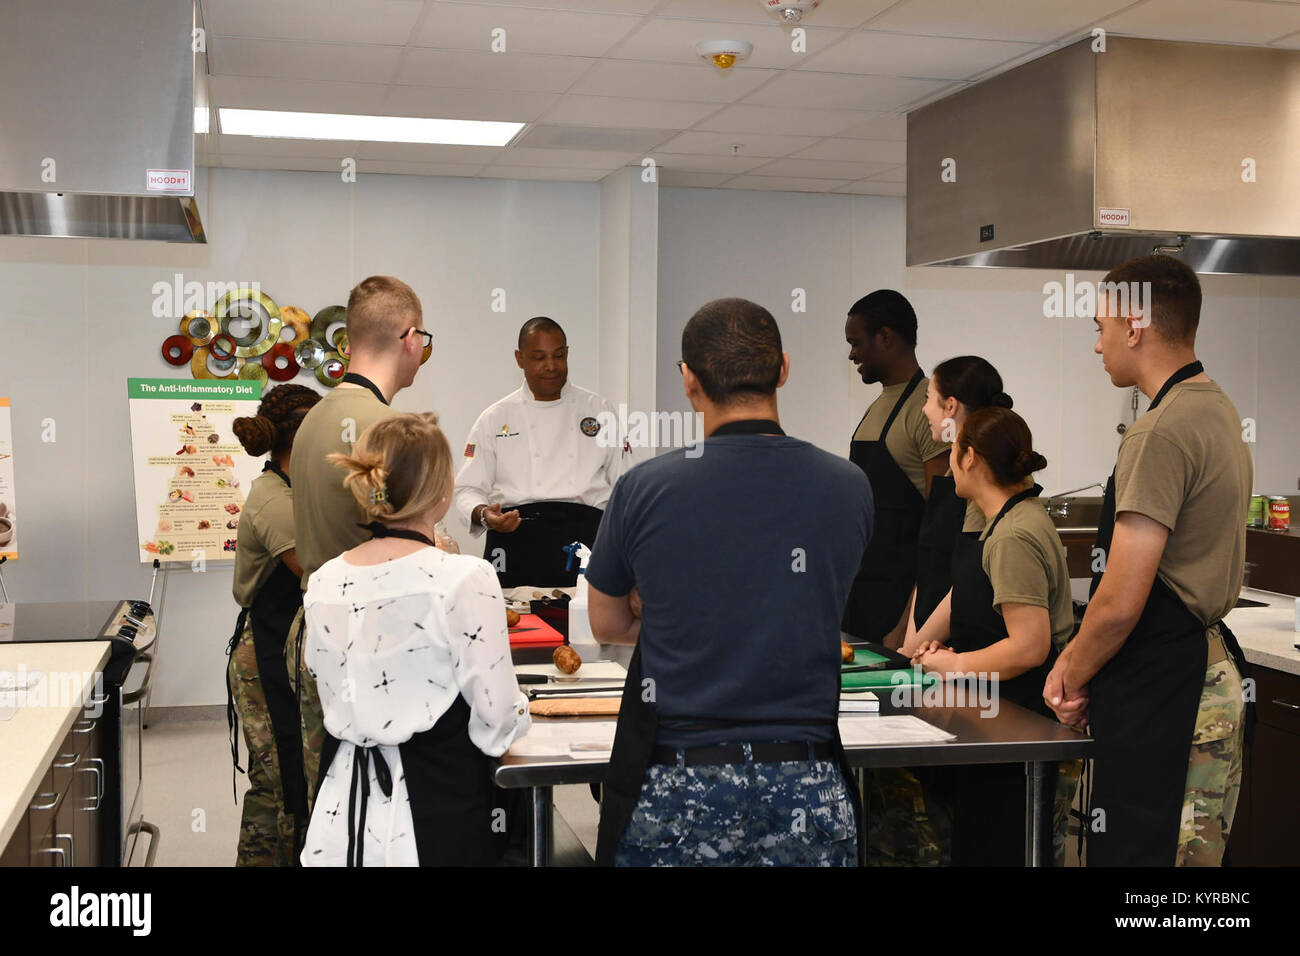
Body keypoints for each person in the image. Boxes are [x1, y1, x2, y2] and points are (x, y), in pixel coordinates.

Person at [587, 297, 873, 867]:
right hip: (808, 786)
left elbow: (607, 622)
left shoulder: (645, 489)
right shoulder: (849, 486)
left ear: (689, 381)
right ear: (784, 369)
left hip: (681, 784)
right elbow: (812, 596)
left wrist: (667, 603)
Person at [1044, 254, 1252, 867]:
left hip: (1173, 688)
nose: (1097, 343)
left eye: (1100, 326)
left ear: (1134, 326)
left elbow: (1119, 601)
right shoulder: (1215, 407)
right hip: (1201, 674)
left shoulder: (1159, 431)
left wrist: (1069, 673)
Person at [301, 413, 530, 866]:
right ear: (443, 489)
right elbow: (497, 721)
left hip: (341, 809)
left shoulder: (325, 580)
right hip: (436, 808)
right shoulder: (464, 577)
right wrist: (524, 717)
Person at [288, 275, 441, 840]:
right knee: (382, 814)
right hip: (375, 644)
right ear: (410, 338)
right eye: (424, 340)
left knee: (328, 797)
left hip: (317, 632)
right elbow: (415, 550)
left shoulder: (311, 422)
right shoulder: (389, 432)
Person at [910, 406, 1074, 866]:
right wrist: (951, 650)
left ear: (972, 458)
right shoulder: (1002, 521)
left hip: (1018, 726)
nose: (947, 462)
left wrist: (954, 665)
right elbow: (996, 626)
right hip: (997, 724)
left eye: (953, 451)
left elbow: (1028, 645)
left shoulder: (1013, 536)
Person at [865, 356, 1013, 867]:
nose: (924, 410)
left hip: (969, 674)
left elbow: (965, 587)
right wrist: (908, 645)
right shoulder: (953, 480)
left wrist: (926, 656)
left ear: (951, 407)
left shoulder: (985, 496)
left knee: (946, 820)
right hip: (935, 660)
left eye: (929, 399)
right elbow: (934, 573)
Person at [455, 317, 624, 589]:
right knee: (518, 628)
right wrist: (486, 515)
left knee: (584, 628)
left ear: (567, 354)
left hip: (585, 543)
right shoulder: (495, 418)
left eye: (558, 356)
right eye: (539, 357)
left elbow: (625, 486)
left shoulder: (600, 411)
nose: (551, 366)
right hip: (515, 539)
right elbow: (467, 490)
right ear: (520, 359)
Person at [226, 383, 320, 866]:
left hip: (292, 647)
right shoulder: (272, 498)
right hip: (263, 656)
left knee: (299, 776)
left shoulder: (300, 489)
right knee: (279, 779)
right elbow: (313, 568)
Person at [842, 290, 950, 648]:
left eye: (856, 342)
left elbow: (939, 531)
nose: (851, 354)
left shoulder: (926, 409)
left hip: (899, 610)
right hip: (863, 598)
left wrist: (906, 623)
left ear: (885, 337)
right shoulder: (878, 407)